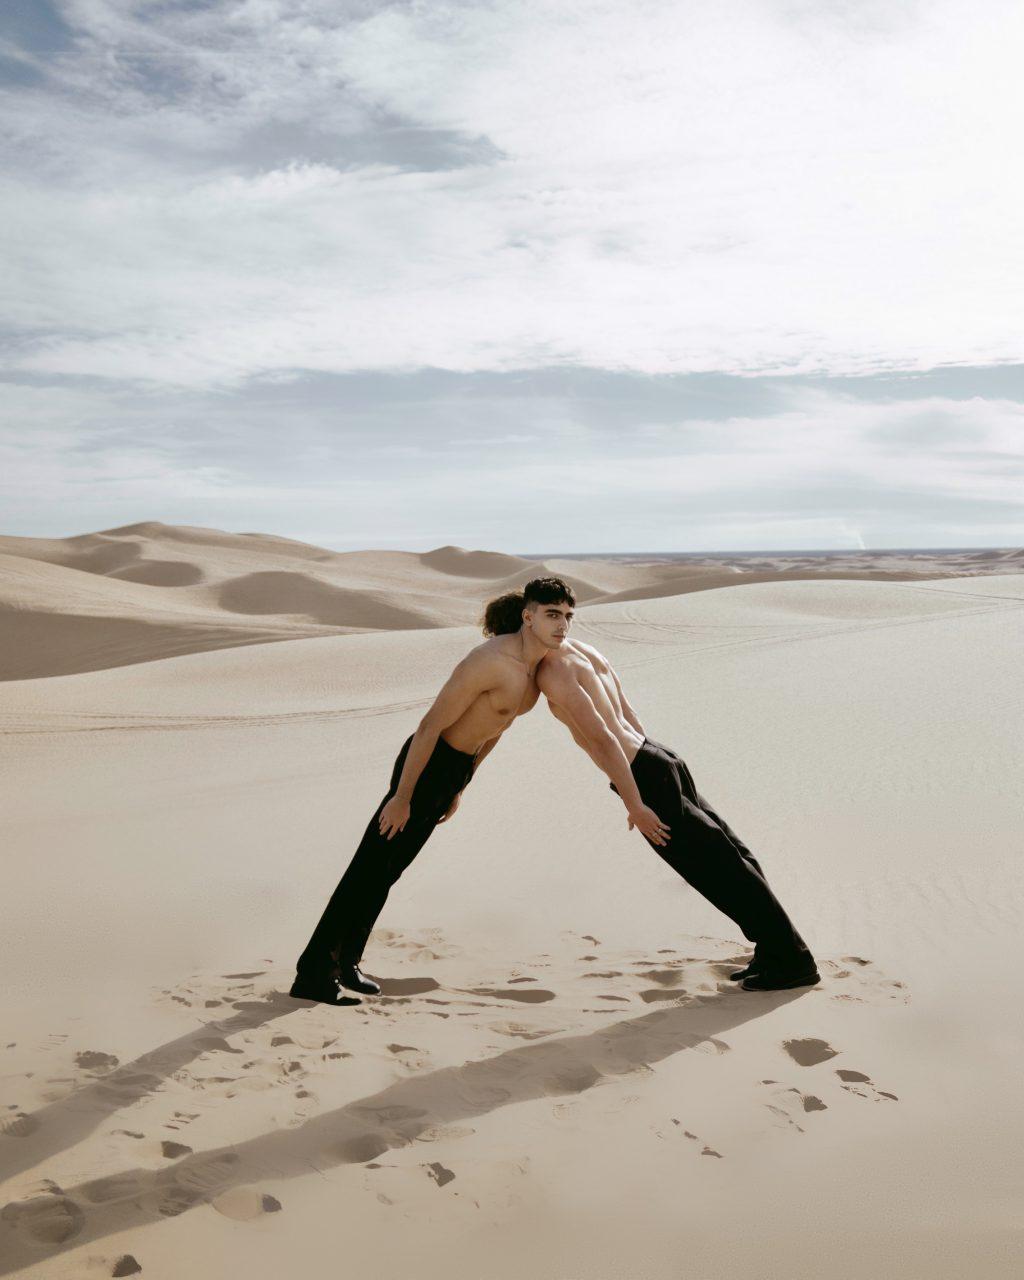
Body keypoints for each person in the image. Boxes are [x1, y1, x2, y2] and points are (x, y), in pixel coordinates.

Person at [289, 577, 577, 1003]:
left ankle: (347, 961)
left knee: (387, 873)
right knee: (367, 870)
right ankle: (312, 973)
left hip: (453, 772)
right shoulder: (488, 661)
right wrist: (401, 797)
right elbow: (429, 728)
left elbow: (497, 729)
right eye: (553, 615)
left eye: (569, 616)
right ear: (528, 615)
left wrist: (462, 785)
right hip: (426, 764)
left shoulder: (536, 672)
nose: (563, 625)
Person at [535, 611, 819, 992]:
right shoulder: (584, 650)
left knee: (716, 867)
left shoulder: (552, 670)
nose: (561, 624)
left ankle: (793, 959)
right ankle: (773, 948)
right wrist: (652, 757)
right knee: (732, 853)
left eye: (564, 615)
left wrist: (634, 802)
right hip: (656, 754)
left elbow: (603, 739)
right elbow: (627, 711)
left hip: (642, 772)